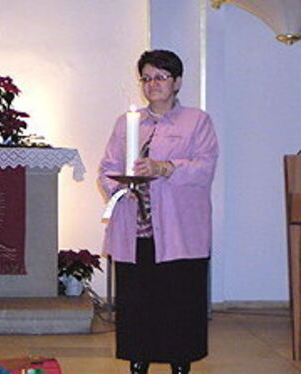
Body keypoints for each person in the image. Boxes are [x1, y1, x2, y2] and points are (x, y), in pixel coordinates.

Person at [98, 50, 218, 374]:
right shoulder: (126, 123)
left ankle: (180, 363)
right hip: (134, 233)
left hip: (179, 232)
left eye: (161, 77)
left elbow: (204, 168)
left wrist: (165, 168)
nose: (153, 84)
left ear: (177, 82)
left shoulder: (197, 121)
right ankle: (139, 360)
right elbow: (108, 168)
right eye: (147, 78)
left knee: (178, 303)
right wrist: (120, 188)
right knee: (138, 304)